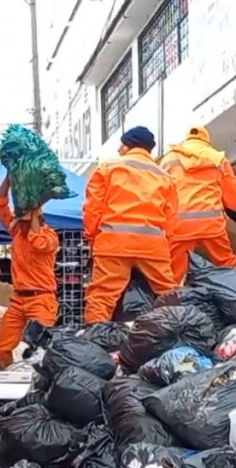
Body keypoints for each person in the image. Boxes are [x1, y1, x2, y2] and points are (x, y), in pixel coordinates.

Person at [83, 126, 178, 323]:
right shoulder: (165, 177)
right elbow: (170, 219)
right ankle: (177, 333)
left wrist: (93, 237)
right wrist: (164, 245)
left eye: (121, 144)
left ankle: (95, 343)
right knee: (168, 294)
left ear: (128, 146)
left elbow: (93, 209)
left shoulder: (107, 168)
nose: (118, 149)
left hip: (114, 244)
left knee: (102, 297)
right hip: (153, 247)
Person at [159, 125, 236, 282]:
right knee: (227, 266)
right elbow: (233, 192)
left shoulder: (168, 160)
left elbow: (159, 192)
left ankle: (169, 303)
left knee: (173, 275)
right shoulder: (216, 158)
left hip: (179, 227)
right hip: (211, 225)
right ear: (206, 141)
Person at [0, 177, 59, 369]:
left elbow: (39, 242)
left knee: (39, 349)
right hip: (18, 301)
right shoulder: (18, 232)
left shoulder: (50, 237)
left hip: (42, 300)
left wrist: (34, 212)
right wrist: (8, 178)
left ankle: (38, 390)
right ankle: (6, 383)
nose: (17, 222)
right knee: (0, 348)